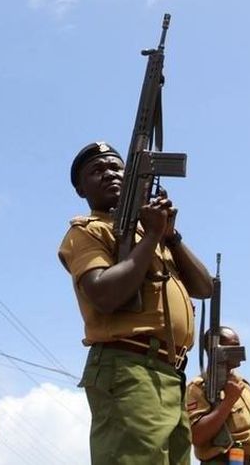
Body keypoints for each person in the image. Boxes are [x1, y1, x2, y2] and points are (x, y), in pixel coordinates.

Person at [58, 141, 213, 464]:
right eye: (96, 171)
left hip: (170, 374)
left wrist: (170, 236)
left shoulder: (150, 235)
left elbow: (204, 286)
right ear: (80, 189)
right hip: (129, 366)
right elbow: (105, 295)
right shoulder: (88, 232)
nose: (110, 174)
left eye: (116, 167)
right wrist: (154, 237)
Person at [186, 327, 250, 465]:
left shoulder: (245, 386)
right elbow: (197, 436)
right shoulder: (199, 387)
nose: (239, 350)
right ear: (217, 351)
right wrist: (228, 401)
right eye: (234, 346)